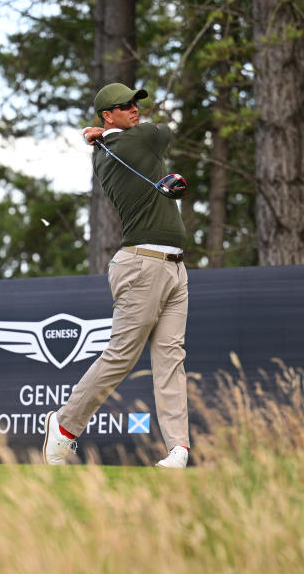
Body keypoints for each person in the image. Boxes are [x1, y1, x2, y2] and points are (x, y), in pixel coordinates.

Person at [42, 82, 190, 468]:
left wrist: (100, 133)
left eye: (135, 103)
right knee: (122, 355)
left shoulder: (111, 143)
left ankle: (178, 449)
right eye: (124, 107)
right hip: (143, 264)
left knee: (170, 358)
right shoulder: (128, 144)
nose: (134, 110)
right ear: (108, 115)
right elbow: (165, 131)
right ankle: (64, 425)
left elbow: (140, 131)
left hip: (174, 266)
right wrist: (105, 134)